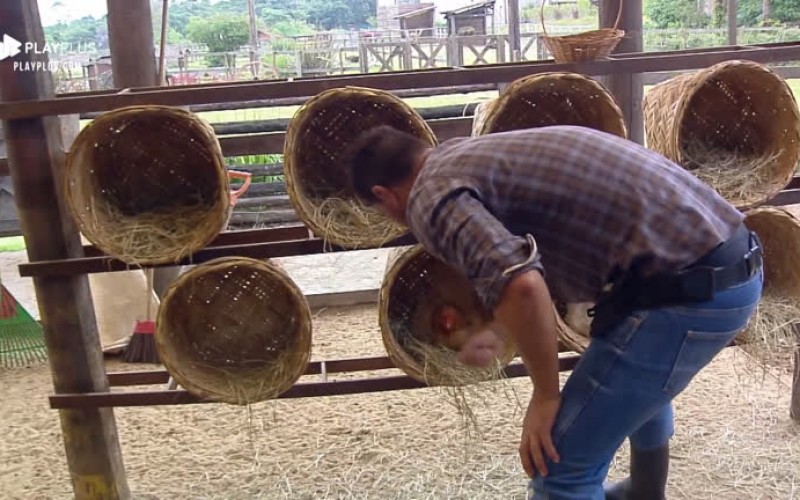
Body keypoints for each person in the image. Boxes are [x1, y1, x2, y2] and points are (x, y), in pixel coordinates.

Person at [346, 124, 764, 500]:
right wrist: (497, 327)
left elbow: (523, 284)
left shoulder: (427, 198)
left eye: (383, 208)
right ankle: (645, 494)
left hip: (689, 292)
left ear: (384, 195)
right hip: (728, 257)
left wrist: (545, 395)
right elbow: (525, 277)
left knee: (558, 467)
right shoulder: (467, 156)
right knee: (636, 383)